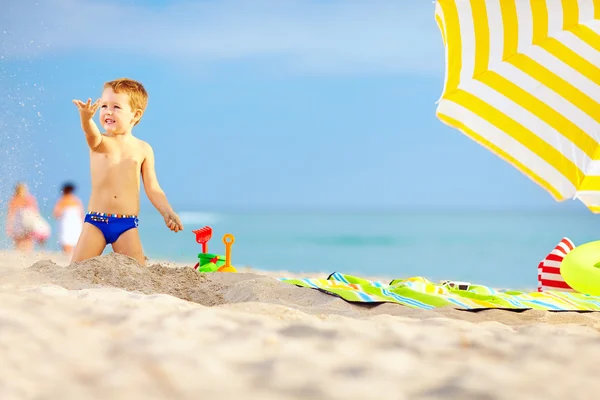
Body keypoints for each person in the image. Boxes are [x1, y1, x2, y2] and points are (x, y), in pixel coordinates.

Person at [71, 78, 183, 265]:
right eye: (104, 105)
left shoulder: (143, 149)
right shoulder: (100, 142)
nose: (108, 111)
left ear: (136, 115)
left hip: (126, 224)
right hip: (96, 222)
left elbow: (153, 187)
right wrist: (86, 119)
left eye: (116, 107)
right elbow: (90, 133)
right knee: (76, 271)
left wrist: (167, 212)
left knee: (137, 275)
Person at [5, 182, 50, 252]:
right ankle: (26, 252)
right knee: (27, 238)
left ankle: (21, 252)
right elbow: (35, 211)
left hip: (19, 220)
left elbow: (11, 213)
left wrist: (9, 226)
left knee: (20, 239)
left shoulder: (15, 199)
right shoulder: (28, 198)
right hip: (25, 220)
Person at [53, 182, 84, 254]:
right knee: (75, 241)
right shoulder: (76, 200)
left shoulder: (62, 200)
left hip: (66, 223)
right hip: (76, 223)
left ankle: (68, 256)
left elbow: (56, 213)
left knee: (66, 241)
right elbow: (81, 214)